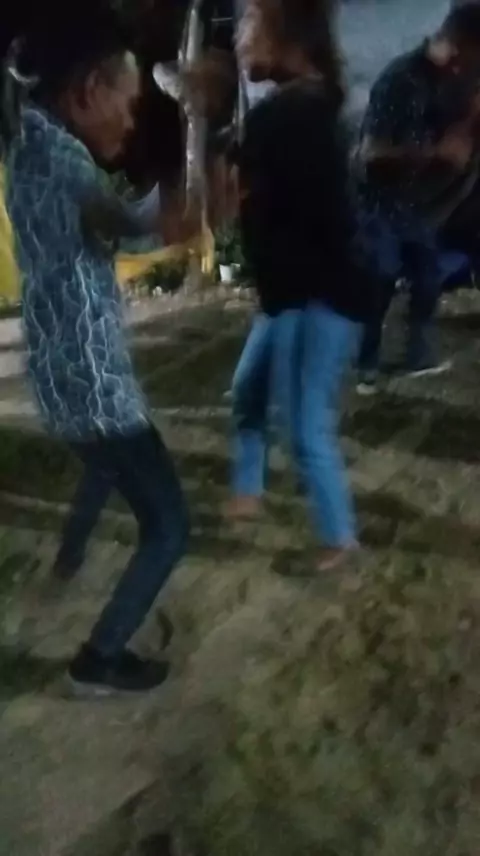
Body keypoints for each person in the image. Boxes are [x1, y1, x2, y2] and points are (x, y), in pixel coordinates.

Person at [5, 18, 197, 696]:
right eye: (130, 100)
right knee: (169, 525)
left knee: (102, 462)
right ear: (88, 90)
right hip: (92, 380)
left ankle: (69, 555)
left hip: (60, 371)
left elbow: (106, 223)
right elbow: (123, 223)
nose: (132, 117)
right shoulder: (61, 158)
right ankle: (99, 660)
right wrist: (176, 203)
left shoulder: (30, 144)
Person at [225, 0, 376, 572]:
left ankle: (339, 537)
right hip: (299, 291)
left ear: (286, 35)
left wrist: (203, 116)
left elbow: (221, 204)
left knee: (305, 423)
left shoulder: (285, 116)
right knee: (249, 389)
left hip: (316, 296)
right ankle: (249, 487)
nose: (239, 36)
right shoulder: (318, 103)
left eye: (249, 22)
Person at [355, 4, 480, 394]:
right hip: (378, 203)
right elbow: (370, 155)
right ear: (461, 45)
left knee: (426, 277)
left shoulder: (453, 80)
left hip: (414, 205)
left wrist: (468, 124)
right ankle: (365, 363)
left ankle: (418, 358)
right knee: (381, 278)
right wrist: (435, 154)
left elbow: (461, 126)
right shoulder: (401, 80)